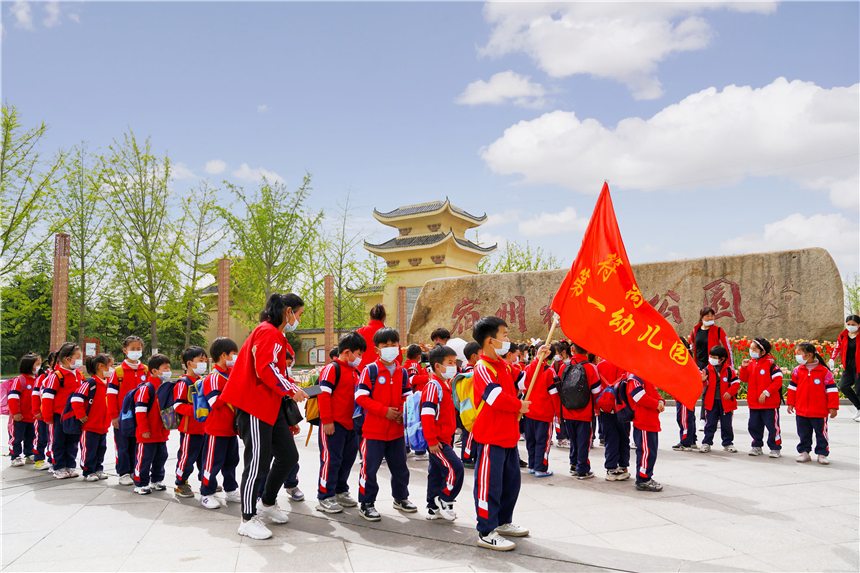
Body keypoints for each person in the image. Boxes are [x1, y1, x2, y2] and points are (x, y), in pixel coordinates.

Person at [220, 293, 308, 540]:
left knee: (288, 455)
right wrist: (291, 389)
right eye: (298, 315)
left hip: (270, 406)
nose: (297, 320)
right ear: (288, 311)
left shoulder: (271, 332)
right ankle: (247, 519)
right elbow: (265, 368)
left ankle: (267, 503)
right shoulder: (270, 332)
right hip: (256, 406)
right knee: (256, 463)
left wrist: (292, 385)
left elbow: (273, 371)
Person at [471, 316, 534, 552]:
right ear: (490, 341)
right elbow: (494, 396)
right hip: (491, 438)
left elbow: (524, 381)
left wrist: (540, 359)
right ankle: (486, 531)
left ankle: (503, 522)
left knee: (510, 484)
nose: (508, 339)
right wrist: (520, 406)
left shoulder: (505, 367)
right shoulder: (483, 368)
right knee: (490, 486)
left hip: (508, 437)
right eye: (505, 335)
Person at [355, 327, 416, 521]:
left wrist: (401, 412)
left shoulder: (402, 372)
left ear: (399, 347)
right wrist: (385, 411)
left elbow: (408, 396)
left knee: (400, 468)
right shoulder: (370, 370)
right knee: (369, 469)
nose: (390, 348)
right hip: (373, 431)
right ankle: (366, 503)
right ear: (377, 350)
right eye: (385, 345)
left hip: (396, 432)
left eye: (394, 344)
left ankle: (401, 498)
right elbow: (361, 397)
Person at [316, 332, 365, 514]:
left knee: (347, 460)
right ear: (347, 352)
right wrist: (327, 421)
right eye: (358, 354)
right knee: (331, 460)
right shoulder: (331, 369)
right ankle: (324, 495)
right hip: (333, 425)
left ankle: (340, 490)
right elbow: (323, 396)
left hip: (351, 426)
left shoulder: (356, 371)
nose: (360, 358)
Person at [422, 344, 464, 521]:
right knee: (456, 469)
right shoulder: (433, 387)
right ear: (437, 366)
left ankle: (432, 507)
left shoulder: (445, 385)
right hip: (438, 441)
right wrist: (431, 440)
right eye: (450, 362)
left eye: (454, 362)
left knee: (437, 473)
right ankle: (445, 498)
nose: (453, 366)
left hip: (444, 439)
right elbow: (427, 415)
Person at [200, 337, 241, 509]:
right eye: (233, 354)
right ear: (224, 355)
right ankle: (207, 494)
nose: (235, 356)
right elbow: (214, 402)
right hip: (216, 429)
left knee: (232, 461)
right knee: (212, 462)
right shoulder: (214, 378)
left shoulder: (229, 374)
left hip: (231, 429)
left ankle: (231, 489)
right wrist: (232, 388)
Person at [107, 335, 149, 486]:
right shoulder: (118, 372)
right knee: (123, 444)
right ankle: (124, 472)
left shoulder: (146, 370)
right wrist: (113, 416)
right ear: (125, 351)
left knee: (138, 444)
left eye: (139, 349)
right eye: (133, 349)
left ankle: (135, 470)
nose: (136, 351)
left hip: (141, 416)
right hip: (123, 417)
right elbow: (111, 396)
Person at [788, 342, 839, 464]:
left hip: (819, 411)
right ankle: (804, 452)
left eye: (799, 354)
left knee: (821, 433)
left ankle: (822, 453)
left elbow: (832, 390)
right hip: (801, 410)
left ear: (809, 355)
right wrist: (791, 403)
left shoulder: (824, 371)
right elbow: (792, 388)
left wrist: (833, 407)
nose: (797, 356)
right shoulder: (797, 371)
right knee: (803, 432)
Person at [41, 342, 85, 479]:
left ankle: (71, 466)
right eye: (77, 357)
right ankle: (59, 467)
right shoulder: (56, 376)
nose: (79, 360)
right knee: (58, 441)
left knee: (72, 441)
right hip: (58, 416)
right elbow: (47, 398)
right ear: (67, 359)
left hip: (74, 416)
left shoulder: (79, 375)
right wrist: (47, 417)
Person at [133, 354, 172, 495]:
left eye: (169, 367)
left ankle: (156, 480)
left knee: (161, 457)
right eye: (165, 368)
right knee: (144, 459)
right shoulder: (146, 388)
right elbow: (140, 411)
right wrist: (144, 428)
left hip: (160, 434)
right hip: (147, 433)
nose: (168, 370)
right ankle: (140, 483)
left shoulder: (165, 387)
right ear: (154, 371)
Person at [562, 343, 602, 480]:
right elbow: (596, 391)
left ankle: (573, 465)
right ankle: (582, 469)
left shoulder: (564, 366)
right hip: (585, 412)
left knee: (573, 440)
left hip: (567, 410)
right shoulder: (591, 367)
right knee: (584, 441)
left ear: (572, 350)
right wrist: (597, 408)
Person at [173, 346, 209, 498]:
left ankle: (206, 482)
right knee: (187, 457)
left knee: (205, 458)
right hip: (190, 429)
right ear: (189, 363)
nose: (204, 363)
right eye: (200, 360)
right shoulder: (184, 382)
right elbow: (178, 405)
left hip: (204, 428)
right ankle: (181, 483)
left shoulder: (203, 380)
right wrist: (196, 411)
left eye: (205, 360)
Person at [740, 338, 784, 457]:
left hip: (769, 403)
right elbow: (744, 379)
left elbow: (778, 381)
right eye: (751, 348)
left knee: (772, 426)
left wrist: (766, 392)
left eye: (755, 349)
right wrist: (743, 368)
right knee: (754, 425)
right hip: (754, 403)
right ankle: (756, 446)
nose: (751, 351)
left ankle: (775, 447)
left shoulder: (771, 364)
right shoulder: (751, 363)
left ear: (763, 352)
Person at [520, 344, 560, 477]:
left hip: (529, 412)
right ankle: (541, 468)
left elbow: (524, 388)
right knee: (543, 442)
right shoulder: (549, 371)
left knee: (531, 441)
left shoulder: (528, 368)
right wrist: (558, 413)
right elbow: (554, 395)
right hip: (544, 414)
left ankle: (532, 465)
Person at [73, 354, 113, 481]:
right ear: (101, 366)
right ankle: (88, 471)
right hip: (90, 425)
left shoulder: (108, 384)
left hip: (103, 426)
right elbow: (76, 399)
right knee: (89, 449)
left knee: (101, 449)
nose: (113, 369)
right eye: (111, 366)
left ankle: (98, 468)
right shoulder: (91, 383)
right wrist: (81, 415)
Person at [698, 346, 740, 453]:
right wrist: (702, 381)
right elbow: (704, 384)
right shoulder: (706, 370)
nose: (711, 358)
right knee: (710, 423)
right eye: (710, 356)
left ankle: (728, 443)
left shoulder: (729, 370)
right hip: (711, 402)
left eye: (714, 357)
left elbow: (736, 383)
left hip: (726, 403)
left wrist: (730, 392)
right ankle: (706, 442)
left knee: (726, 424)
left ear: (722, 359)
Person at [627, 374, 665, 491]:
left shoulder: (645, 376)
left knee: (650, 452)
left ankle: (646, 476)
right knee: (646, 452)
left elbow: (654, 392)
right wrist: (656, 404)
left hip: (650, 420)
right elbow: (638, 396)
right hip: (644, 420)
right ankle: (643, 479)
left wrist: (660, 401)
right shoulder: (635, 377)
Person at [595, 359, 630, 481]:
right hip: (623, 407)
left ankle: (610, 468)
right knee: (624, 438)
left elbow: (596, 387)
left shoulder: (600, 365)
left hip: (605, 407)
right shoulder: (626, 364)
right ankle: (623, 467)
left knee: (610, 438)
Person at [8, 353, 40, 466]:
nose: (39, 367)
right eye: (38, 364)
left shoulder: (38, 380)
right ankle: (15, 456)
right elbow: (13, 397)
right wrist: (15, 412)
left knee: (31, 437)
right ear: (29, 365)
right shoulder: (19, 380)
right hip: (19, 417)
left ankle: (29, 454)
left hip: (32, 417)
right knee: (16, 437)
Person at [831, 315, 860, 421]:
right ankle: (859, 407)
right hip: (848, 365)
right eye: (848, 324)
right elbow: (837, 349)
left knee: (859, 389)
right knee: (844, 386)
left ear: (858, 325)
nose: (851, 326)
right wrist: (832, 360)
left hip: (859, 365)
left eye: (853, 324)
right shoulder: (843, 335)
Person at [31, 351, 56, 470]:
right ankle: (38, 458)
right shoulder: (43, 377)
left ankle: (52, 459)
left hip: (54, 415)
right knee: (41, 437)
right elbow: (35, 395)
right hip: (41, 415)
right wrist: (36, 410)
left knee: (53, 438)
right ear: (51, 363)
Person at [357, 304, 401, 370]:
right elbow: (398, 359)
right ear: (384, 319)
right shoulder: (391, 334)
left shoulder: (360, 332)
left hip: (361, 371)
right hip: (386, 372)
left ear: (370, 318)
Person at [672, 339, 697, 452]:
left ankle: (685, 442)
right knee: (688, 418)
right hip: (684, 394)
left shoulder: (684, 361)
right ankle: (691, 440)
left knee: (684, 419)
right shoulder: (685, 360)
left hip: (684, 395)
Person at [460, 341, 481, 469]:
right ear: (474, 356)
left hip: (470, 405)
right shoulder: (471, 371)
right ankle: (466, 457)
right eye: (480, 353)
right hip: (470, 406)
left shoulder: (468, 369)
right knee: (469, 433)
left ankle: (470, 455)